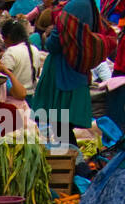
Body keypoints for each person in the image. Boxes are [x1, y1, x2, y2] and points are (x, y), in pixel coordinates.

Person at [34, 0, 117, 132]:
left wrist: (48, 36)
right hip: (76, 74)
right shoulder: (89, 5)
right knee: (64, 129)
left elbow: (54, 43)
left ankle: (69, 152)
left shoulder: (75, 5)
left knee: (61, 129)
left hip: (63, 74)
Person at [0, 19, 46, 93]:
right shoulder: (34, 49)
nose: (4, 42)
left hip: (15, 97)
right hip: (32, 96)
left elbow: (4, 79)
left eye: (3, 38)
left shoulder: (11, 52)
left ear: (8, 37)